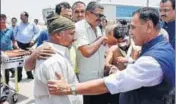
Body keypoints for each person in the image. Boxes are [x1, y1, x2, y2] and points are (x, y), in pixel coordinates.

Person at [47, 7, 175, 104]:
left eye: (133, 28)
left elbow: (111, 84)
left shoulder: (152, 60)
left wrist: (68, 88)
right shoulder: (162, 48)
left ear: (148, 26)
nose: (129, 32)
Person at [33, 16, 83, 104]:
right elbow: (59, 99)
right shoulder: (55, 61)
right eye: (71, 34)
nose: (75, 38)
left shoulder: (57, 55)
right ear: (58, 35)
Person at [13, 11, 39, 81]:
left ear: (26, 17)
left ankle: (29, 74)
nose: (20, 17)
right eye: (20, 16)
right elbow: (14, 34)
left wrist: (33, 40)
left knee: (29, 60)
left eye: (22, 16)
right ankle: (19, 76)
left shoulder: (32, 24)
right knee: (19, 61)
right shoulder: (18, 24)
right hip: (19, 44)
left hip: (29, 45)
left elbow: (37, 33)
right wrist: (15, 42)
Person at [0, 14, 19, 85]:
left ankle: (6, 85)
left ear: (5, 20)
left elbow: (14, 40)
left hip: (8, 53)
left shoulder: (10, 30)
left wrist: (15, 45)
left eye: (4, 19)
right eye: (0, 19)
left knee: (6, 70)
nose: (2, 20)